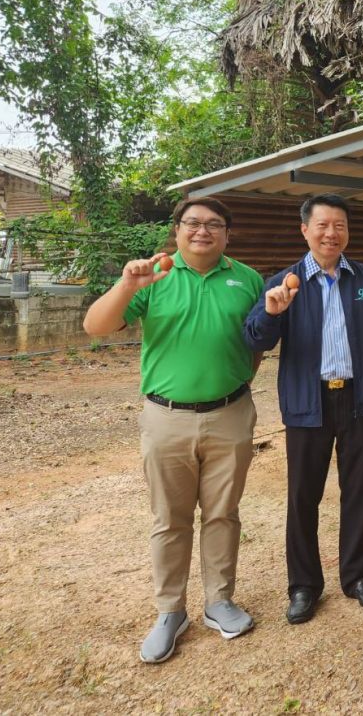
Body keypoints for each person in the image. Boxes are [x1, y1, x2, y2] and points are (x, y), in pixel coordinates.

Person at [83, 198, 263, 664]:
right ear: (177, 230)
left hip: (231, 412)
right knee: (170, 518)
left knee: (223, 513)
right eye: (193, 223)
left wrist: (237, 382)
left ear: (227, 234)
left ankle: (219, 602)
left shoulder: (246, 279)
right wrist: (127, 284)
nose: (202, 231)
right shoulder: (154, 274)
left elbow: (255, 343)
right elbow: (95, 326)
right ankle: (170, 611)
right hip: (166, 416)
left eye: (214, 225)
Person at [243, 194, 363, 624]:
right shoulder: (285, 282)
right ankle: (303, 586)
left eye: (340, 226)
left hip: (359, 399)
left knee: (359, 492)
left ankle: (359, 578)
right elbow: (255, 338)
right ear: (305, 230)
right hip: (307, 401)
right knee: (303, 496)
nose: (332, 233)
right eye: (323, 225)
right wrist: (274, 313)